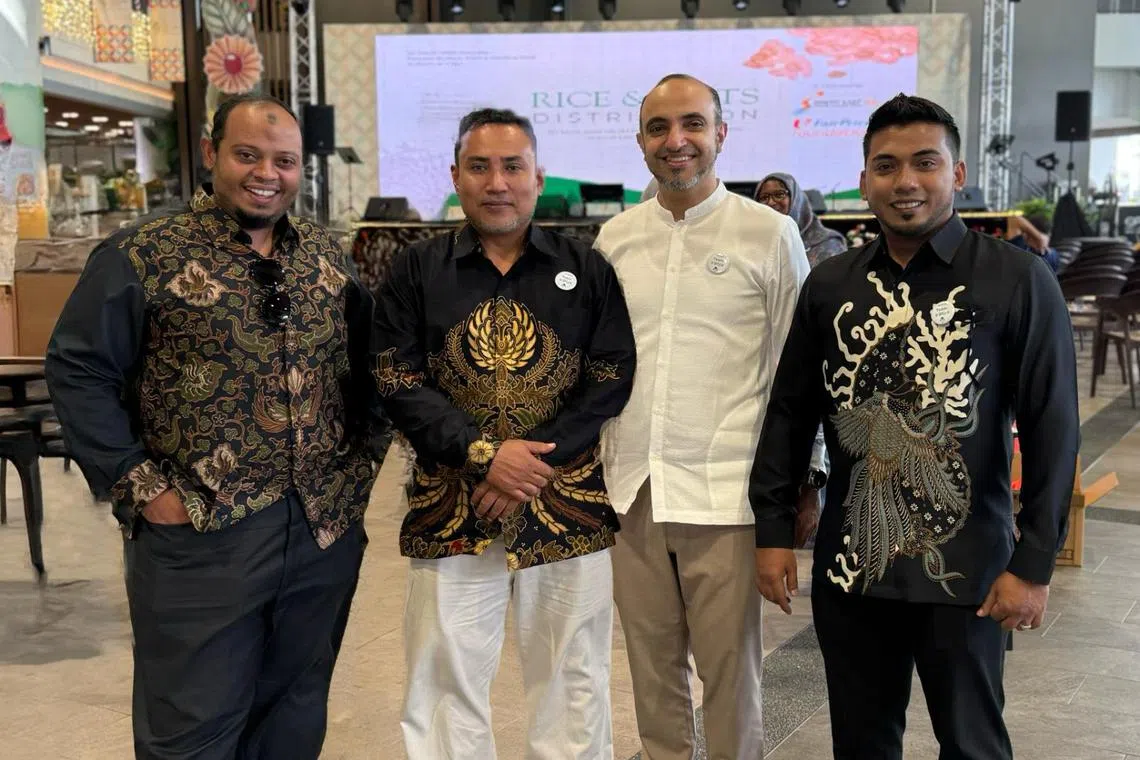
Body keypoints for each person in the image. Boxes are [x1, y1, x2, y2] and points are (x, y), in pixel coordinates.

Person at [44, 94, 385, 760]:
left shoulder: (327, 256)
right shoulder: (142, 254)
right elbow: (79, 370)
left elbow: (372, 365)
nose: (267, 174)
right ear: (211, 153)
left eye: (284, 161)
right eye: (247, 155)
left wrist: (360, 469)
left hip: (320, 530)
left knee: (293, 716)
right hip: (201, 529)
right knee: (190, 728)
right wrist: (141, 485)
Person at [751, 94, 1079, 760]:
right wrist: (774, 530)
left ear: (957, 173)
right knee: (862, 744)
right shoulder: (831, 285)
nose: (905, 181)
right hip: (855, 567)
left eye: (925, 163)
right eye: (887, 165)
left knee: (974, 744)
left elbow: (1053, 426)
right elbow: (790, 411)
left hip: (973, 572)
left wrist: (1034, 563)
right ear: (864, 178)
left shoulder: (1016, 280)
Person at [372, 107, 636, 759]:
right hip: (452, 504)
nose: (497, 183)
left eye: (513, 167)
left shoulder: (586, 268)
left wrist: (529, 465)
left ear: (538, 178)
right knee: (443, 680)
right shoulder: (416, 270)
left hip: (565, 504)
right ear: (455, 176)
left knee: (573, 681)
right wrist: (483, 456)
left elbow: (611, 376)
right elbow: (396, 377)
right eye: (480, 167)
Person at [593, 74, 814, 760]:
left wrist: (802, 485)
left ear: (721, 134)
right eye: (659, 127)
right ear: (640, 142)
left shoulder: (768, 234)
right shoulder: (615, 238)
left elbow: (799, 373)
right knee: (650, 673)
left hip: (726, 495)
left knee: (730, 678)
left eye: (692, 124)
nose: (676, 140)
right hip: (634, 490)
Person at [755, 171, 847, 267]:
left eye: (779, 195)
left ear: (796, 200)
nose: (770, 202)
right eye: (764, 197)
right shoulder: (755, 243)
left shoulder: (828, 244)